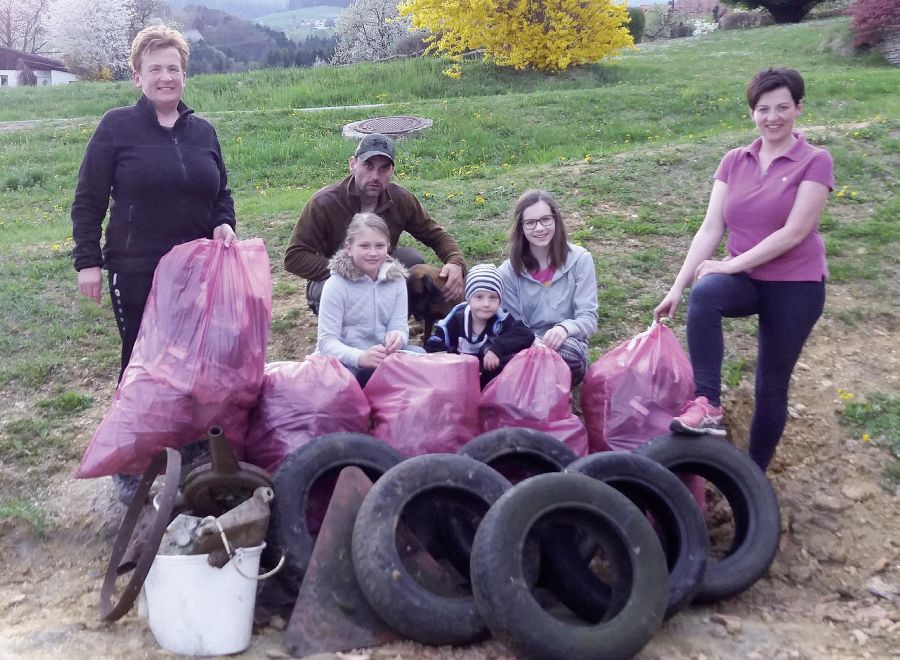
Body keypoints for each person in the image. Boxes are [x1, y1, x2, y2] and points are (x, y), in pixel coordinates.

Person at [70, 25, 236, 501]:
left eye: (173, 69)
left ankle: (188, 446)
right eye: (155, 69)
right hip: (137, 268)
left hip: (197, 269)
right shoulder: (116, 127)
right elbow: (88, 200)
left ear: (184, 74)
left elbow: (220, 192)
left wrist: (224, 223)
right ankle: (134, 460)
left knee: (195, 360)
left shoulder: (202, 130)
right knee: (142, 364)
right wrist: (89, 262)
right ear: (137, 77)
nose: (165, 77)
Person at [653, 68, 834, 471]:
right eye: (763, 108)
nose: (773, 117)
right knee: (706, 293)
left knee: (770, 386)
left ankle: (754, 474)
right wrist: (677, 288)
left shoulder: (815, 161)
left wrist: (730, 263)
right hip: (747, 281)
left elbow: (794, 232)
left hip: (796, 286)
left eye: (782, 107)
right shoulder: (735, 161)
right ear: (752, 112)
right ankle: (708, 403)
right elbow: (710, 228)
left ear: (798, 108)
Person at [284, 133, 466, 314]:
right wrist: (352, 269)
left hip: (380, 270)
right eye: (368, 166)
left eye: (384, 168)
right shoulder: (323, 203)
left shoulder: (401, 199)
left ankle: (394, 322)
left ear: (392, 171)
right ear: (353, 164)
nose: (375, 176)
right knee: (328, 291)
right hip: (335, 275)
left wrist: (455, 262)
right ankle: (344, 334)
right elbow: (294, 257)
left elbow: (436, 235)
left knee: (412, 261)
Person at [499, 190, 599, 387]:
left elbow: (588, 318)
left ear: (556, 220)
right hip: (526, 344)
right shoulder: (507, 271)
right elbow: (511, 322)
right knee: (495, 357)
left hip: (566, 343)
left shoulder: (581, 260)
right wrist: (532, 342)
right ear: (520, 227)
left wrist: (565, 328)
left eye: (545, 219)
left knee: (569, 356)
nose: (539, 228)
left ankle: (554, 393)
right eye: (530, 222)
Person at [316, 213, 423, 387]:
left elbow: (399, 326)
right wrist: (360, 357)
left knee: (420, 355)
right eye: (364, 246)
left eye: (379, 245)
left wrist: (397, 337)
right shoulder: (335, 285)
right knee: (341, 385)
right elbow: (326, 343)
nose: (373, 253)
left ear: (388, 246)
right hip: (345, 360)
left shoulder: (397, 280)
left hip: (381, 356)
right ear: (348, 248)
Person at [425, 264, 534, 387]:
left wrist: (497, 349)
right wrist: (437, 354)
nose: (486, 304)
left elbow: (526, 334)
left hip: (491, 384)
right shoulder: (458, 316)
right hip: (458, 381)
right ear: (469, 298)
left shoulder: (501, 319)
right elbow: (438, 339)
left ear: (500, 301)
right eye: (479, 297)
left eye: (493, 297)